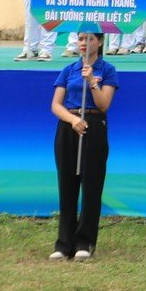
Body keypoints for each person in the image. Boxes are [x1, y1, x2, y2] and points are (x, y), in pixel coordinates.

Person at [50, 31, 118, 261]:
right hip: (68, 126)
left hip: (94, 126)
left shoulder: (107, 70)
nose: (83, 43)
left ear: (99, 42)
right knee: (67, 187)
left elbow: (104, 104)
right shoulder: (68, 69)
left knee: (91, 187)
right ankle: (63, 243)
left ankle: (84, 241)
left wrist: (91, 82)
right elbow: (56, 105)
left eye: (89, 39)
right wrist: (72, 120)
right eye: (80, 39)